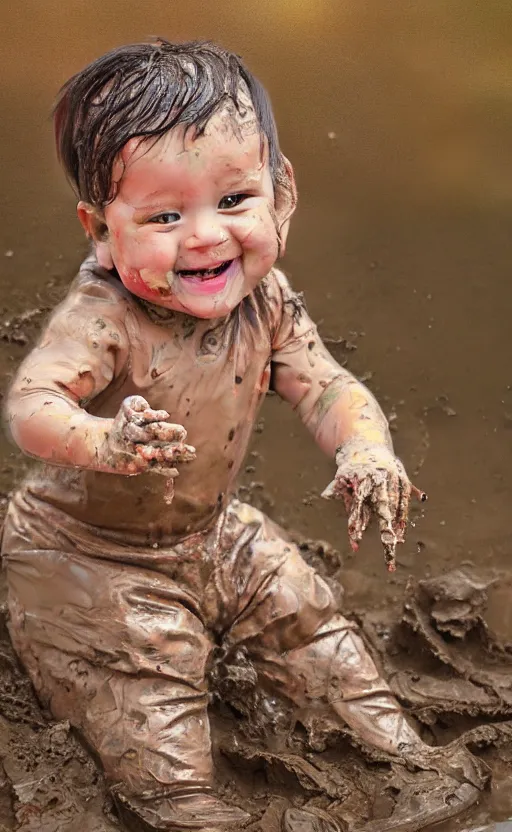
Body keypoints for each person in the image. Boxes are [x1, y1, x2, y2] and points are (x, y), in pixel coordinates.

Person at [1, 40, 488, 832]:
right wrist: (103, 443)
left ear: (281, 194)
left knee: (308, 615)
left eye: (233, 201)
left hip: (210, 534)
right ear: (98, 229)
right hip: (83, 552)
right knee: (149, 684)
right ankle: (185, 804)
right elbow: (32, 404)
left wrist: (365, 448)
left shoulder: (269, 302)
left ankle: (395, 748)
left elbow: (326, 384)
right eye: (164, 216)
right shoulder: (105, 318)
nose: (204, 238)